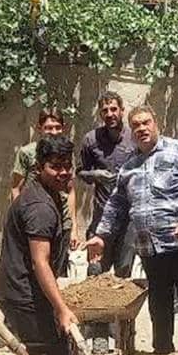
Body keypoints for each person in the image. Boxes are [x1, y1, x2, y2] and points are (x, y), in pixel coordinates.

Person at [86, 106, 178, 355]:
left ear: (156, 123)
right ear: (132, 131)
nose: (142, 128)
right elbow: (116, 204)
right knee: (159, 306)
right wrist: (101, 235)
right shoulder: (130, 166)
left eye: (146, 122)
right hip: (149, 249)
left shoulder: (177, 151)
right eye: (136, 125)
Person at [0, 135, 80, 355]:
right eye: (55, 167)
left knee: (56, 352)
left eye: (67, 166)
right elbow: (40, 262)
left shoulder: (47, 195)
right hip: (22, 294)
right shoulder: (39, 208)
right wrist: (61, 308)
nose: (63, 172)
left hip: (28, 291)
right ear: (39, 167)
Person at [77, 90, 135, 278]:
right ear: (100, 114)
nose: (110, 114)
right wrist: (96, 174)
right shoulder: (91, 139)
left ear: (122, 111)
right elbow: (80, 172)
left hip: (128, 219)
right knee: (95, 269)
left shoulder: (134, 138)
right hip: (101, 217)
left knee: (123, 272)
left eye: (113, 109)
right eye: (105, 110)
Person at [11, 108, 80, 253]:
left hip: (61, 219)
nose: (53, 132)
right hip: (36, 218)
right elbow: (16, 188)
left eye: (57, 128)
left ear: (64, 128)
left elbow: (70, 190)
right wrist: (20, 218)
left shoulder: (65, 152)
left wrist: (74, 228)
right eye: (48, 128)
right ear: (39, 128)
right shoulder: (27, 153)